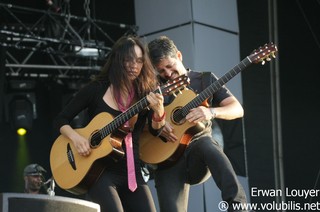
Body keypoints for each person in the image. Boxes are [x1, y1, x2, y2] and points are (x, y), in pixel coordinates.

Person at [53, 35, 166, 212]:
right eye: (128, 60)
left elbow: (156, 131)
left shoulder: (145, 94)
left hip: (132, 172)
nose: (134, 66)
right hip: (99, 174)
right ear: (117, 60)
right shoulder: (96, 89)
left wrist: (159, 111)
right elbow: (61, 119)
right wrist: (76, 138)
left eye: (139, 61)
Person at [147, 35, 248, 212]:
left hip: (197, 153)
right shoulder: (154, 89)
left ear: (179, 55)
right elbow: (143, 125)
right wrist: (159, 122)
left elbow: (237, 109)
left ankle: (238, 206)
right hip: (167, 158)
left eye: (170, 66)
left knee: (207, 145)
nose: (168, 74)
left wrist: (210, 112)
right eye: (161, 71)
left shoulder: (204, 80)